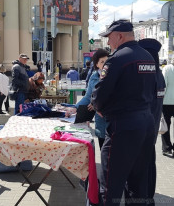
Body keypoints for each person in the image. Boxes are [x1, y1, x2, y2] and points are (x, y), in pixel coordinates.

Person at [91, 20, 157, 205]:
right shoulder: (148, 57)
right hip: (146, 124)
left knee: (110, 183)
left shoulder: (118, 58)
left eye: (109, 38)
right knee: (138, 182)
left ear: (119, 36)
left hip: (123, 127)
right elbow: (153, 91)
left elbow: (99, 94)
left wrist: (99, 109)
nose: (108, 43)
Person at [126, 38, 165, 206]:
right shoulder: (158, 75)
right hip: (151, 130)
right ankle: (148, 199)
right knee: (149, 168)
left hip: (139, 132)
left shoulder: (146, 77)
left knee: (138, 172)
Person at [68, 49, 109, 150]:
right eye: (102, 62)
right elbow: (88, 97)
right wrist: (75, 107)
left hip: (113, 120)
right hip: (100, 122)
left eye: (107, 61)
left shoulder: (113, 75)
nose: (105, 64)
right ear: (96, 64)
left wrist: (96, 103)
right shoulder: (94, 77)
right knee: (104, 150)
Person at [161, 58, 174, 156]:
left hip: (167, 101)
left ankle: (167, 147)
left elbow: (163, 85)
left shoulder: (167, 68)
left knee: (166, 125)